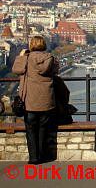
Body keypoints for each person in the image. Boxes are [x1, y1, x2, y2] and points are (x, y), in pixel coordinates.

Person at [12, 36, 58, 164]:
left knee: (31, 129)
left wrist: (21, 56)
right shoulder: (50, 58)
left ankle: (33, 157)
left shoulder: (27, 58)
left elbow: (16, 70)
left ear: (31, 45)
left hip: (30, 101)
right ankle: (43, 156)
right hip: (46, 99)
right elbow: (56, 71)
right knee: (43, 129)